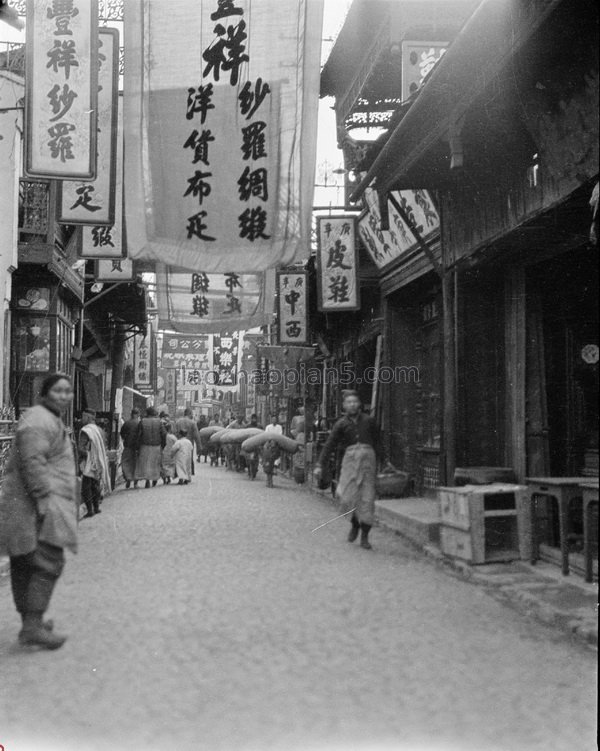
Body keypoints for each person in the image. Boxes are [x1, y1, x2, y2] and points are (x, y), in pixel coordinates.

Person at [0, 373, 78, 649]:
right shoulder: (38, 421)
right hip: (34, 505)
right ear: (43, 394)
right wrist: (44, 500)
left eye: (68, 391)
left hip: (28, 504)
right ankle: (32, 625)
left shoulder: (43, 417)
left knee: (26, 562)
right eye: (58, 391)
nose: (65, 396)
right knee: (47, 560)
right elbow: (33, 463)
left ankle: (30, 623)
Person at [314, 391, 382, 550]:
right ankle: (355, 524)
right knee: (346, 497)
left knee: (367, 499)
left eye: (354, 401)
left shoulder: (370, 421)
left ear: (359, 404)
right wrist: (319, 464)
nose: (352, 404)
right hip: (350, 463)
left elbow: (378, 443)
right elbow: (329, 444)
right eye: (349, 402)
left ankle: (365, 536)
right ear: (344, 406)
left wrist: (384, 462)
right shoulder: (341, 424)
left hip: (368, 463)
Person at [79, 409, 111, 517]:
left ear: (88, 418)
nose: (81, 419)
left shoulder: (86, 431)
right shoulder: (100, 430)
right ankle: (96, 507)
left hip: (90, 462)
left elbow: (81, 448)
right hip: (99, 461)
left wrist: (85, 458)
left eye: (83, 417)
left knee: (86, 487)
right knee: (96, 484)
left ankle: (90, 510)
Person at [136, 406, 166, 488]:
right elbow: (164, 434)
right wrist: (163, 445)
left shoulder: (142, 421)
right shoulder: (159, 422)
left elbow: (138, 435)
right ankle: (154, 478)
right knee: (155, 464)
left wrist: (138, 447)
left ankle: (147, 480)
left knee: (146, 464)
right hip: (156, 445)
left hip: (144, 445)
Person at [175, 407, 201, 472]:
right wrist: (199, 447)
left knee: (180, 459)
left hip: (179, 444)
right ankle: (187, 475)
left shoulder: (178, 422)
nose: (192, 415)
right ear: (189, 414)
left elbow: (175, 433)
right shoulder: (192, 423)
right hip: (189, 445)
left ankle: (181, 475)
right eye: (192, 414)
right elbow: (196, 436)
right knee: (188, 460)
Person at [120, 408, 140, 488]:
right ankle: (135, 483)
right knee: (136, 464)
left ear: (131, 414)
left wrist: (126, 439)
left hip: (127, 446)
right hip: (137, 447)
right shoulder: (139, 423)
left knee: (126, 463)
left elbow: (122, 434)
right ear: (138, 414)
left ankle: (128, 478)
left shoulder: (126, 423)